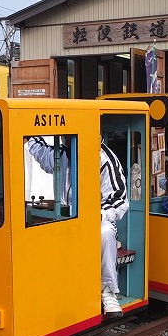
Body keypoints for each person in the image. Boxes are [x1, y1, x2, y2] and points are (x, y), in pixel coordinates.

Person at [27, 135, 128, 318]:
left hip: (96, 219)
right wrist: (29, 136)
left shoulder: (105, 159)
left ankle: (108, 292)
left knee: (105, 232)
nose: (65, 138)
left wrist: (95, 215)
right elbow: (42, 154)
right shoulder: (63, 154)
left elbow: (119, 199)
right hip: (67, 218)